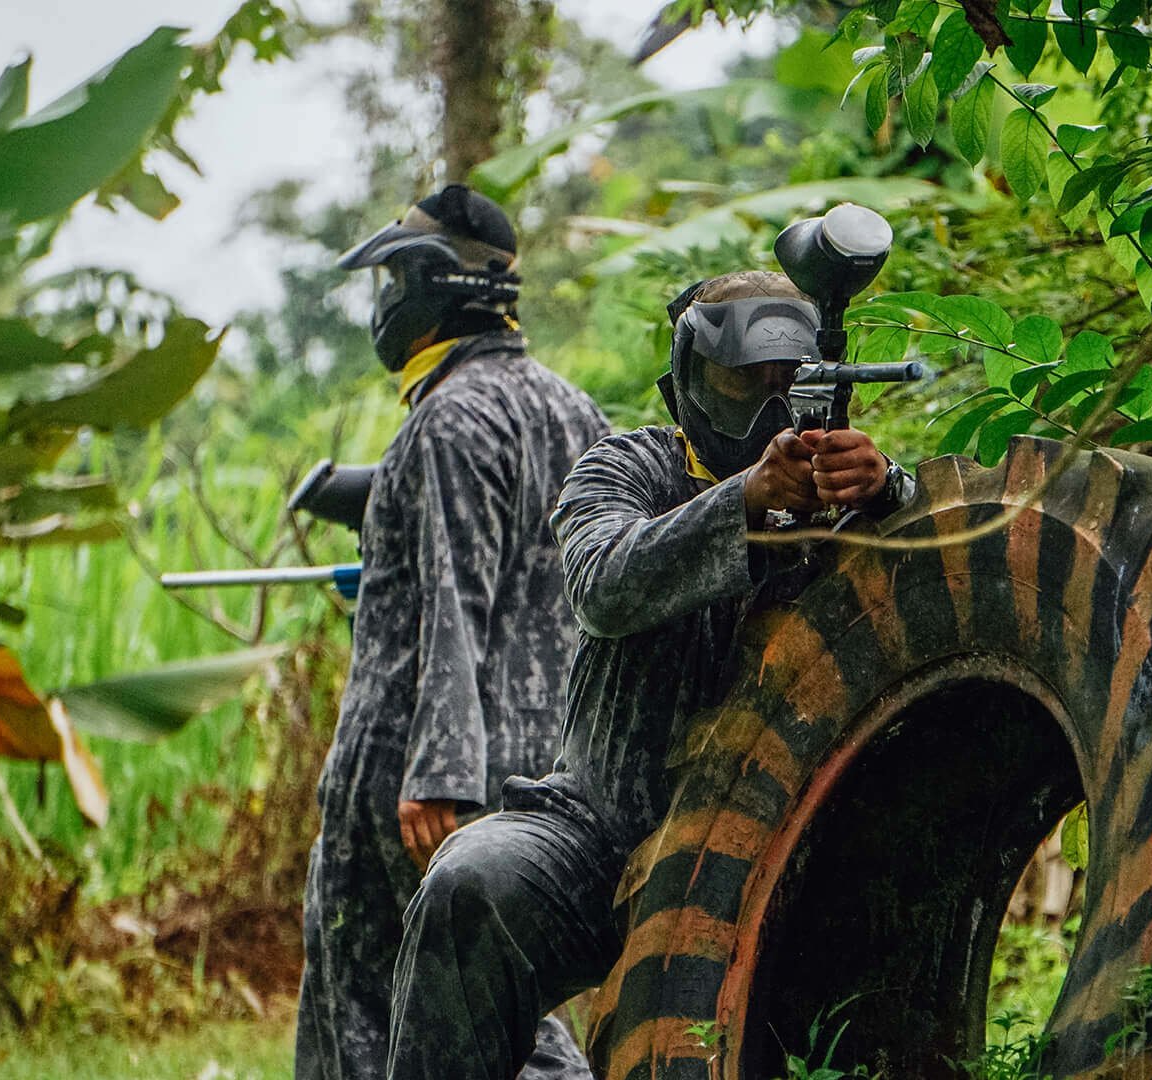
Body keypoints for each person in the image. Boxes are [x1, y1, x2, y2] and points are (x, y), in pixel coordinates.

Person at [385, 270, 914, 1080]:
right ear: (691, 381)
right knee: (469, 884)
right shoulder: (626, 466)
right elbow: (602, 585)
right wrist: (744, 501)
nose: (769, 412)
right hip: (597, 831)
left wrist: (886, 491)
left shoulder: (848, 489)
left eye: (788, 385)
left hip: (780, 847)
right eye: (744, 383)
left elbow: (945, 575)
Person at [295, 184, 609, 1080]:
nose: (387, 301)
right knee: (499, 999)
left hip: (421, 773)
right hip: (543, 767)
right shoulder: (573, 408)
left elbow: (454, 598)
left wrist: (439, 774)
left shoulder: (451, 416)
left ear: (434, 285)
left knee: (379, 998)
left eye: (396, 279)